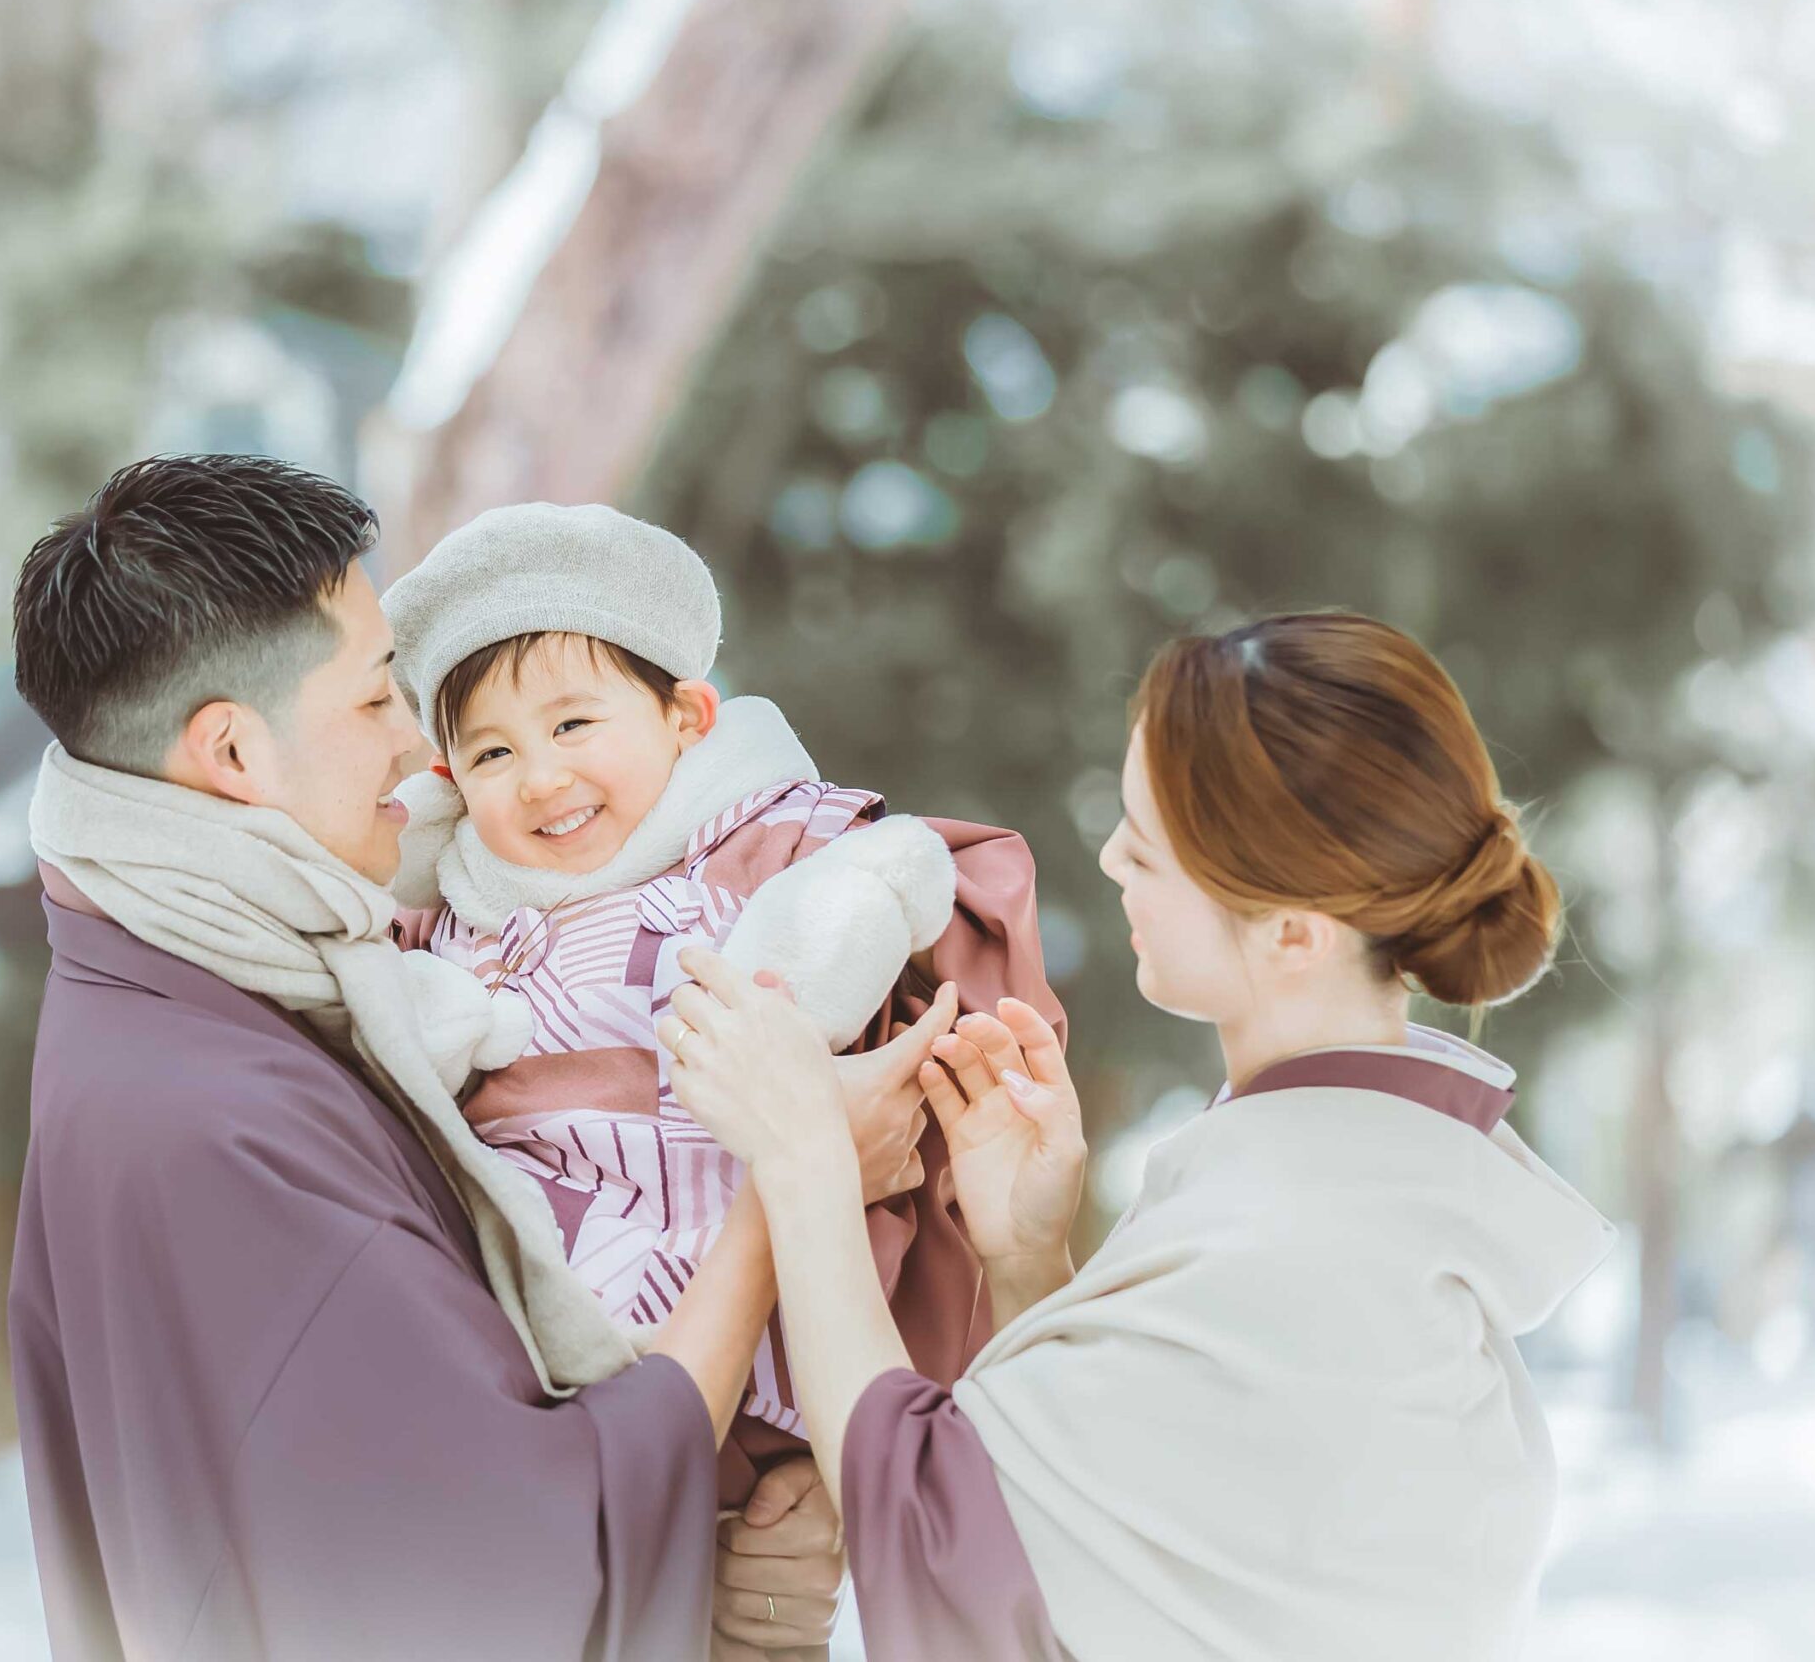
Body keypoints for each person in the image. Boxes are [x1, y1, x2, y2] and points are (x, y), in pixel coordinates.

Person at [3, 455, 853, 1659]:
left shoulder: (181, 995)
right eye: (373, 700)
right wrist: (788, 1187)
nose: (420, 745)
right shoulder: (209, 1120)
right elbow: (512, 1569)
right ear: (234, 756)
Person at [665, 612, 1618, 1661]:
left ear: (1293, 933)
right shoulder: (1348, 1196)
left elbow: (937, 1534)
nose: (1112, 859)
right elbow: (1134, 1544)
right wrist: (1034, 1264)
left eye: (1148, 849)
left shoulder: (1294, 1248)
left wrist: (801, 1154)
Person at [379, 502, 1063, 1519]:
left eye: (572, 724)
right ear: (448, 780)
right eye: (489, 756)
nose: (541, 779)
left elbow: (852, 916)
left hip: (735, 1271)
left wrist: (848, 909)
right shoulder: (454, 922)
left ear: (686, 718)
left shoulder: (752, 852)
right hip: (546, 1284)